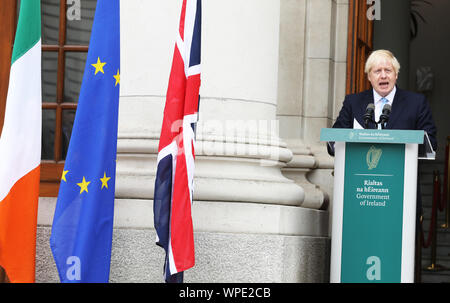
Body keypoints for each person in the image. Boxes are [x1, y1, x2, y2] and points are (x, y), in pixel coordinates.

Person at [329, 49, 437, 156]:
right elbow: (334, 141)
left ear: (396, 75)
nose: (383, 76)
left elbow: (431, 142)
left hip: (401, 170)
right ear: (369, 77)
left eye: (388, 70)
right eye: (377, 71)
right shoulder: (353, 102)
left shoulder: (416, 103)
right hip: (361, 170)